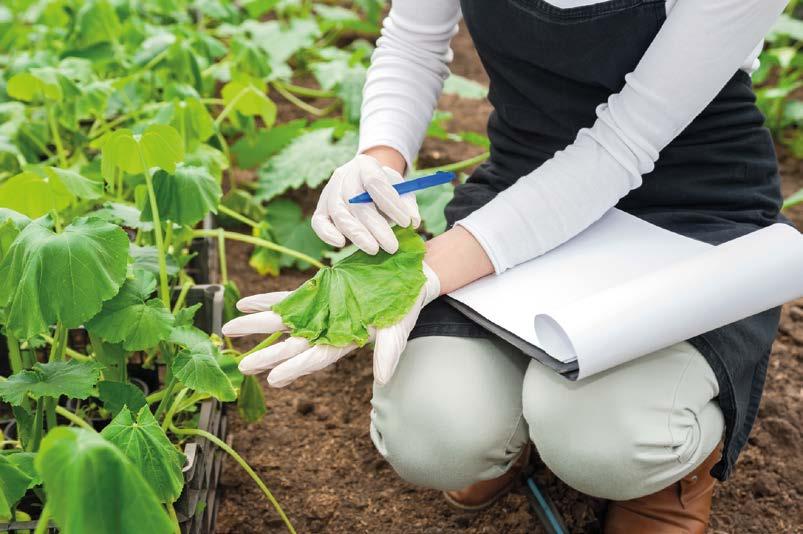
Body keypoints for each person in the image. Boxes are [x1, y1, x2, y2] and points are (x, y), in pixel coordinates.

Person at [223, 0, 791, 531]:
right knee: (431, 437)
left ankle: (671, 472)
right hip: (523, 180)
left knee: (605, 439)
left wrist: (429, 271)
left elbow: (620, 146)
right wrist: (380, 157)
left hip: (690, 207)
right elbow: (413, 42)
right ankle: (512, 430)